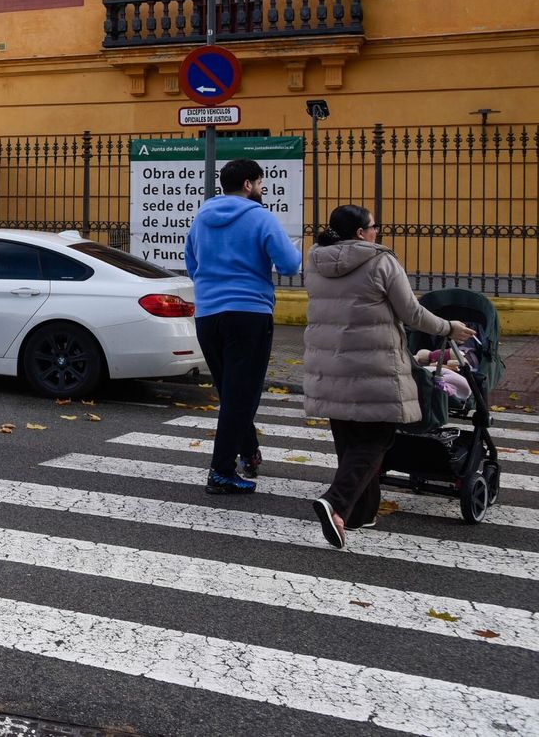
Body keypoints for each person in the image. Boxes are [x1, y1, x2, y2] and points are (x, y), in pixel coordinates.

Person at [303, 205, 474, 549]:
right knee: (376, 439)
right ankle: (336, 502)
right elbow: (411, 313)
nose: (377, 231)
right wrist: (448, 328)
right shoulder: (381, 261)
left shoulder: (315, 261)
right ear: (360, 233)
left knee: (350, 440)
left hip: (329, 364)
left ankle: (360, 513)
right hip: (372, 366)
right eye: (373, 226)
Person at [185, 158, 304, 494]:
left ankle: (249, 453)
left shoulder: (202, 219)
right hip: (249, 313)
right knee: (243, 394)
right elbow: (290, 265)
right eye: (261, 184)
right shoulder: (260, 216)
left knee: (231, 391)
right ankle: (221, 472)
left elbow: (191, 264)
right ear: (249, 184)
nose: (262, 190)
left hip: (208, 314)